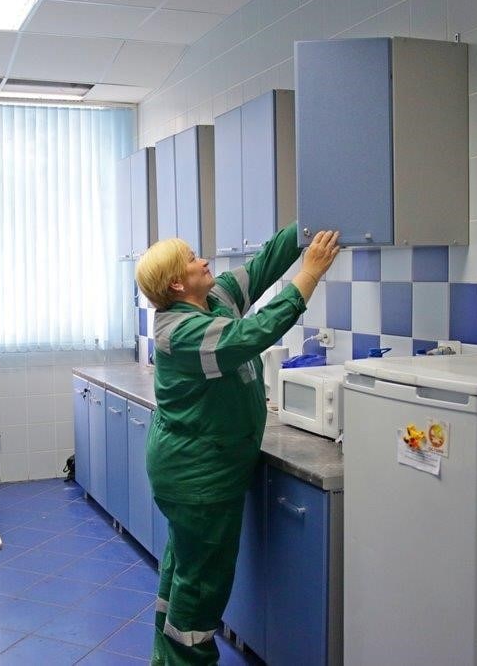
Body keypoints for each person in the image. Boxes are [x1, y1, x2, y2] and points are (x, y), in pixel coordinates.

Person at [134, 223, 339, 665]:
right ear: (177, 283)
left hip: (196, 469)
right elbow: (253, 334)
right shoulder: (181, 332)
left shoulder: (215, 298)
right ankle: (187, 660)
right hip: (198, 477)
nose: (204, 260)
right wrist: (309, 274)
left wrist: (307, 224)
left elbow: (263, 265)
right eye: (192, 259)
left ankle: (166, 658)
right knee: (201, 585)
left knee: (185, 569)